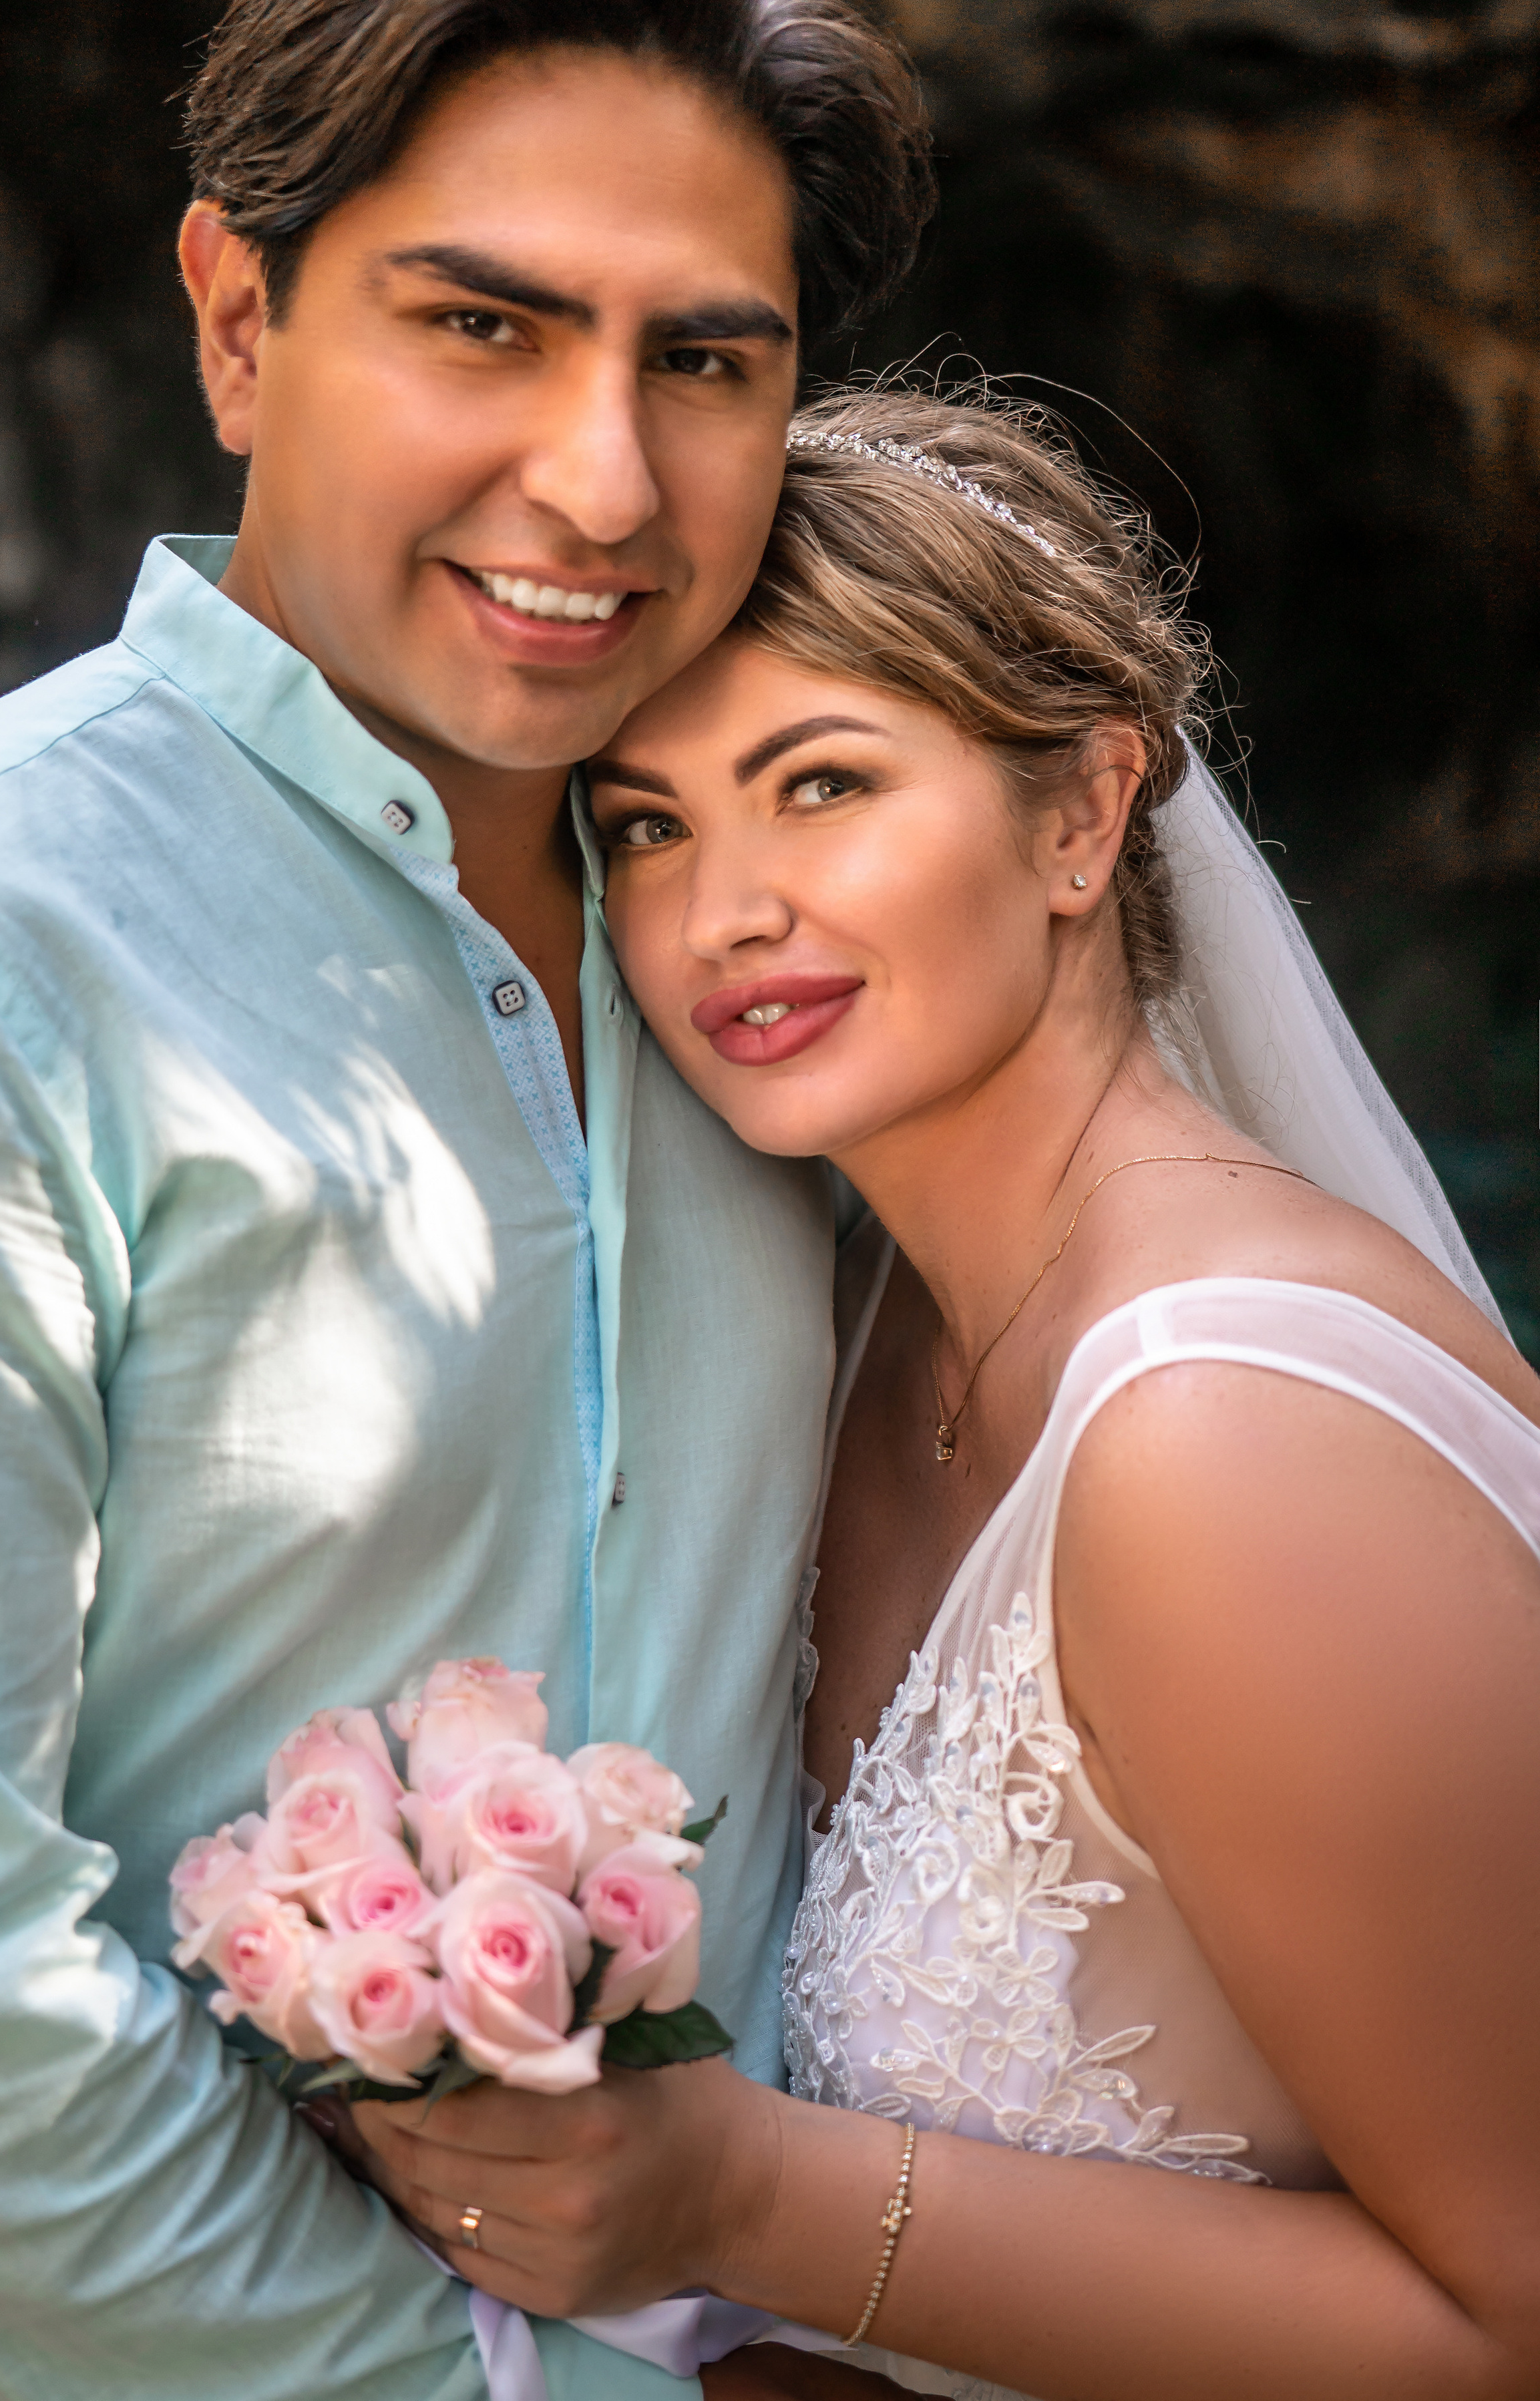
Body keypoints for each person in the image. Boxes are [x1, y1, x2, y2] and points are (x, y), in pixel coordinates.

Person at [0, 0, 933, 2398]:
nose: (603, 485)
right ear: (241, 319)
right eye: (482, 324)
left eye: (707, 362)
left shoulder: (782, 967)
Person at [354, 389, 1540, 2401]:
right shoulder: (865, 1333)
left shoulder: (1224, 1438)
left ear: (1081, 815)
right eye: (648, 827)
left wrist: (733, 2204)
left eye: (820, 786)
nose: (722, 911)